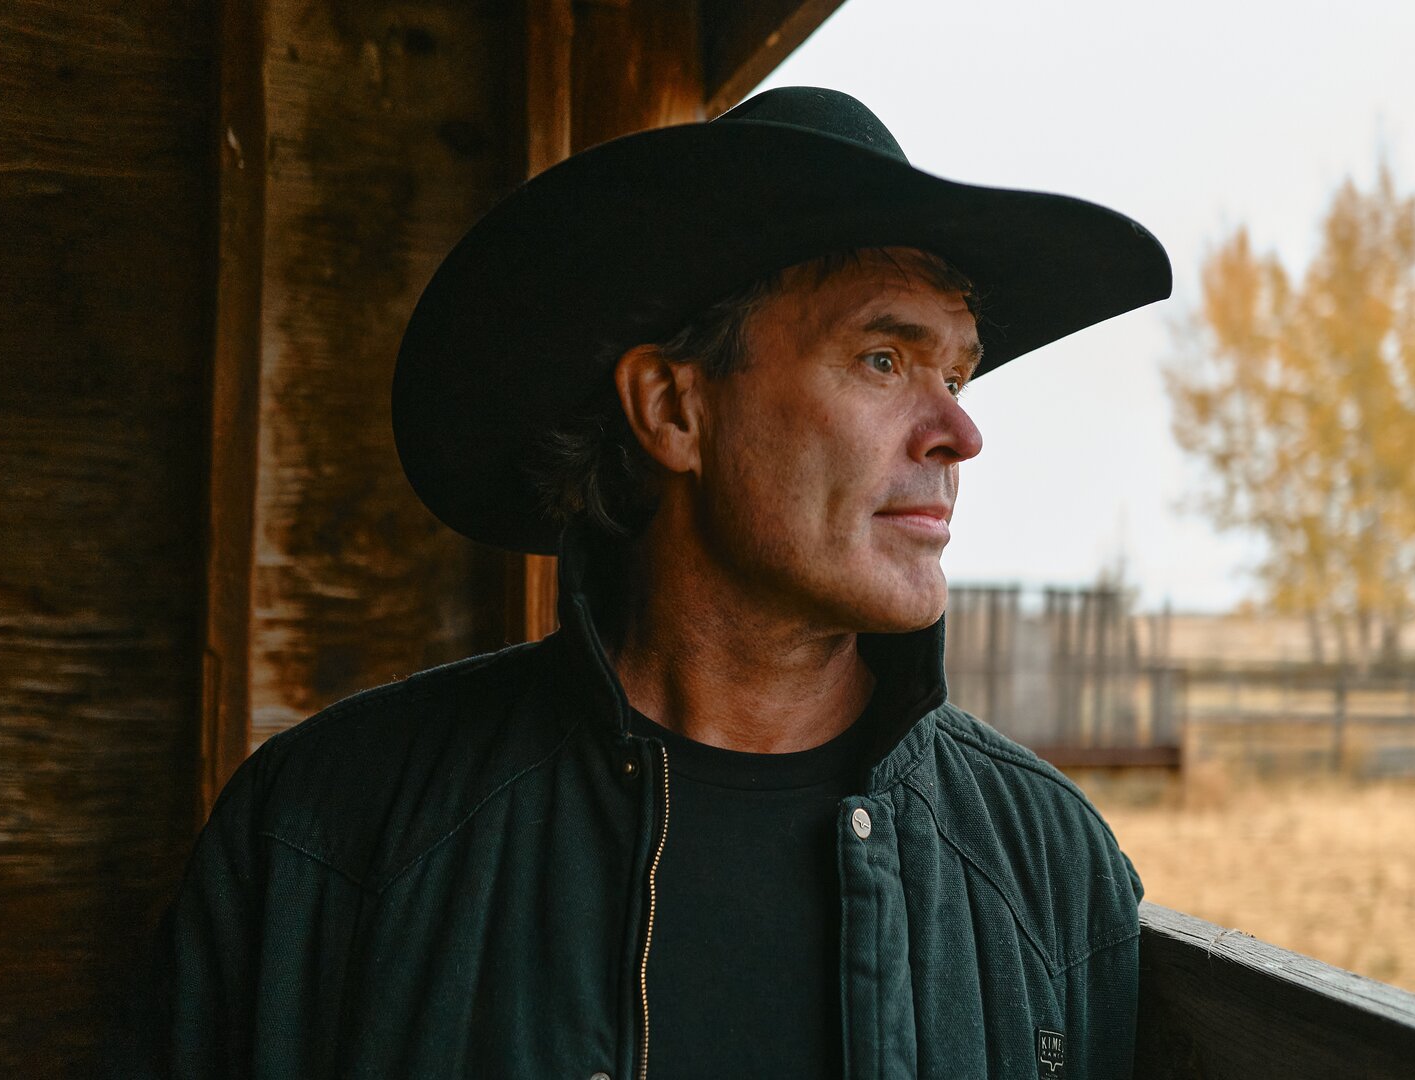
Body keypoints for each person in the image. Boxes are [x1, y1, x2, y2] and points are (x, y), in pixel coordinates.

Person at [136, 85, 1171, 1079]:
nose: (960, 432)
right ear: (674, 411)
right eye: (884, 361)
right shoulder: (329, 832)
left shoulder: (1049, 868)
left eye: (957, 373)